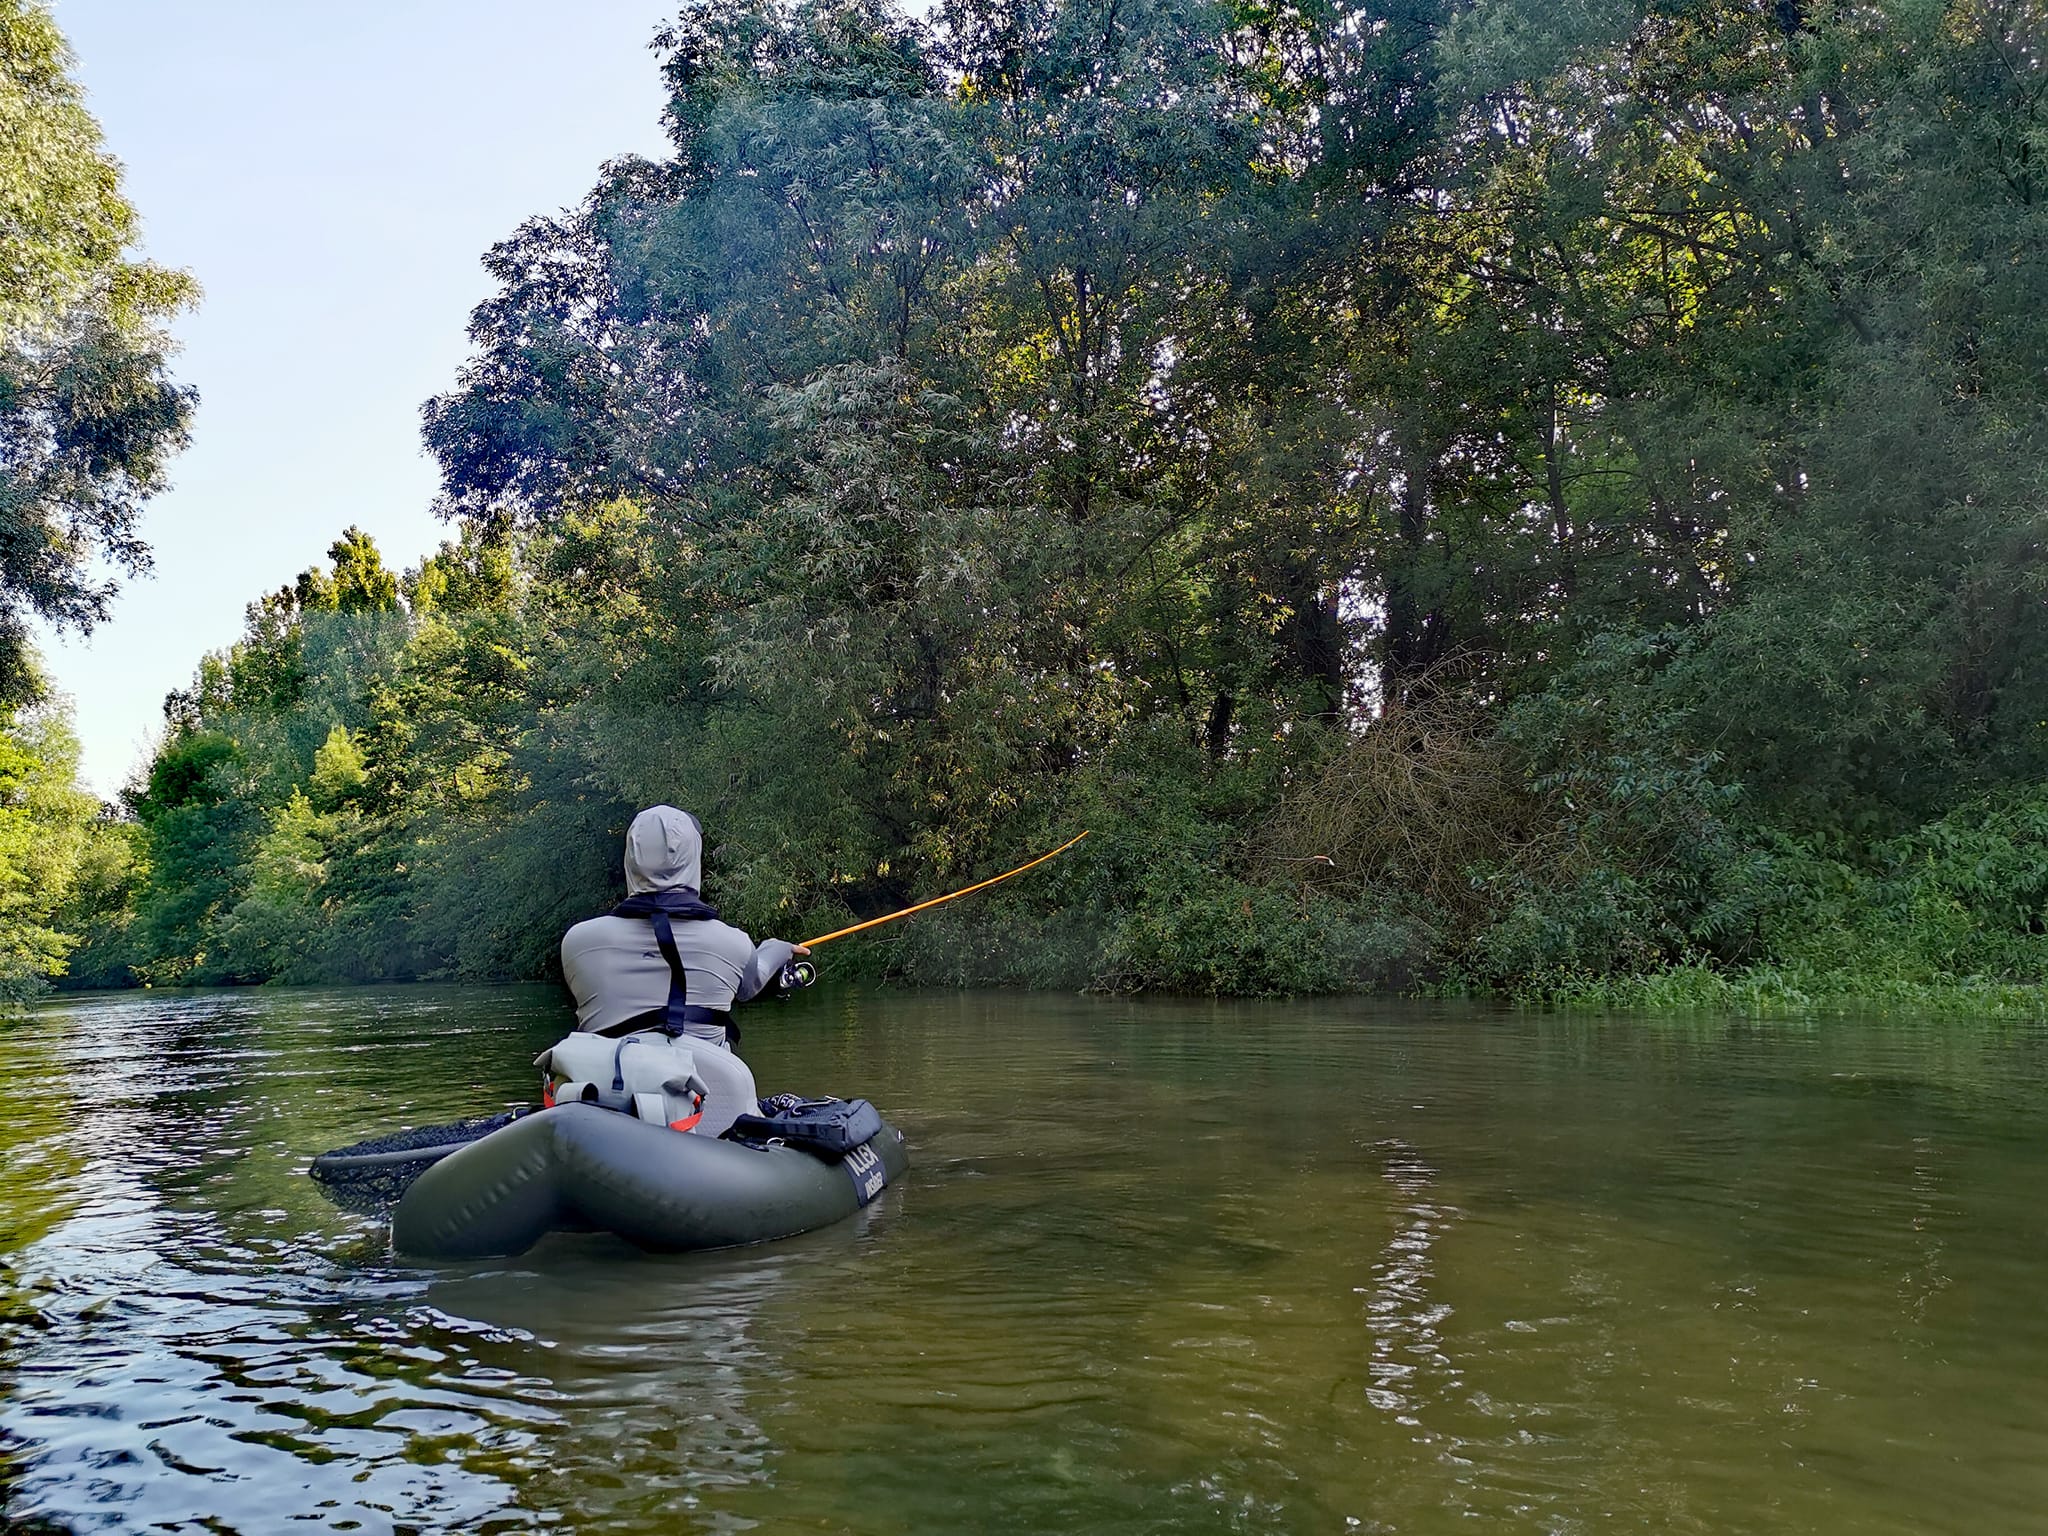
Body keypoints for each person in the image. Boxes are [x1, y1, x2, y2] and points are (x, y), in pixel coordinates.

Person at [559, 805, 807, 1133]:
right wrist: (775, 949)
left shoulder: (578, 941)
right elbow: (752, 983)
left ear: (631, 858)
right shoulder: (733, 942)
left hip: (603, 1119)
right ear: (693, 859)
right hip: (707, 1122)